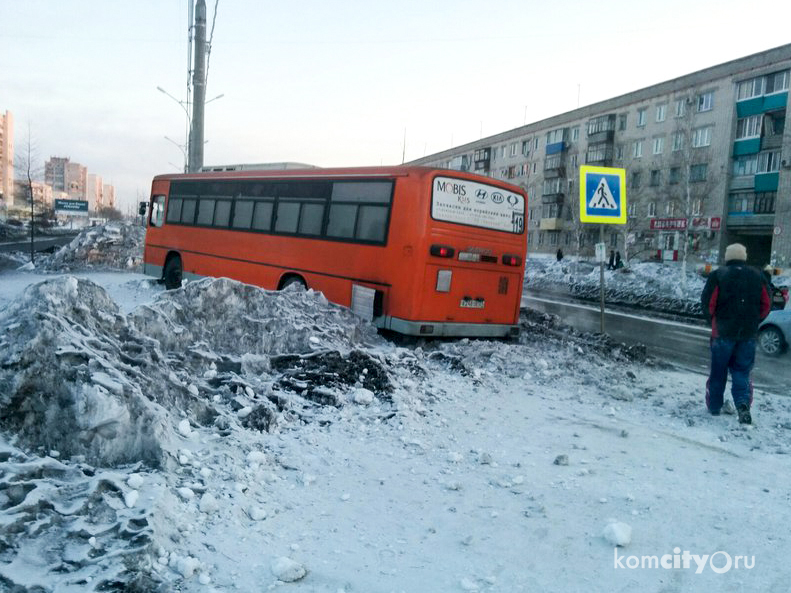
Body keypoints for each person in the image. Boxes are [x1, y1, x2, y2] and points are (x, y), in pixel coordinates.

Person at [700, 243, 771, 424]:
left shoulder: (719, 275)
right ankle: (742, 405)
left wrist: (714, 321)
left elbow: (708, 304)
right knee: (742, 372)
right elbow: (766, 304)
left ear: (727, 257)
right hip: (747, 334)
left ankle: (715, 406)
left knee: (718, 372)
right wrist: (754, 321)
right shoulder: (758, 275)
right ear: (744, 257)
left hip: (722, 333)